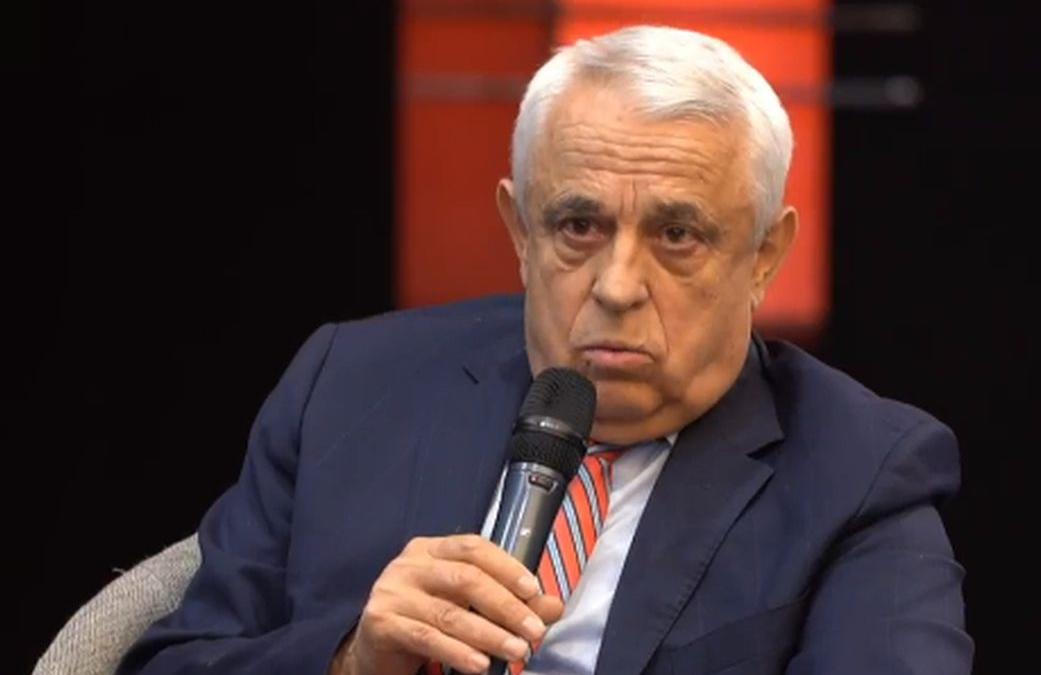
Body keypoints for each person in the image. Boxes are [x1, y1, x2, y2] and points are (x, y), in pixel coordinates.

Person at [118, 25, 972, 675]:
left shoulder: (860, 473)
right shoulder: (346, 387)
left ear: (763, 257)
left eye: (677, 234)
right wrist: (349, 661)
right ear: (520, 232)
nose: (618, 285)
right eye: (578, 225)